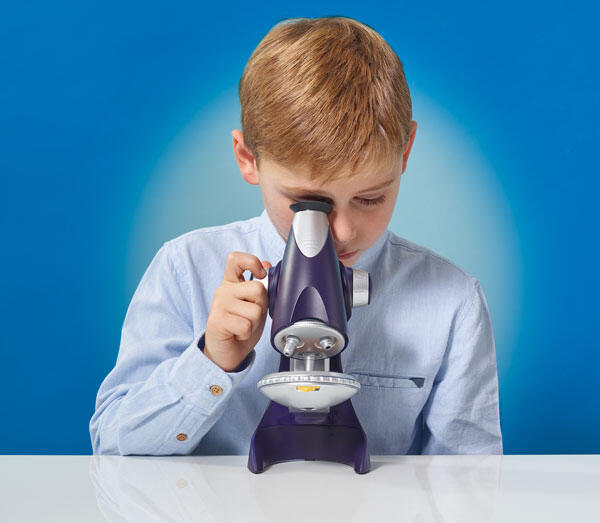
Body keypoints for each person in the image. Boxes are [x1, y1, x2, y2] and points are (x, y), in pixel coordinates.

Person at [90, 16, 502, 456]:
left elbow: (470, 477)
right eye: (308, 204)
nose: (341, 232)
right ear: (248, 158)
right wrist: (211, 361)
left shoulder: (452, 301)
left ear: (405, 153)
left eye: (369, 199)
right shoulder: (185, 268)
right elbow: (112, 447)